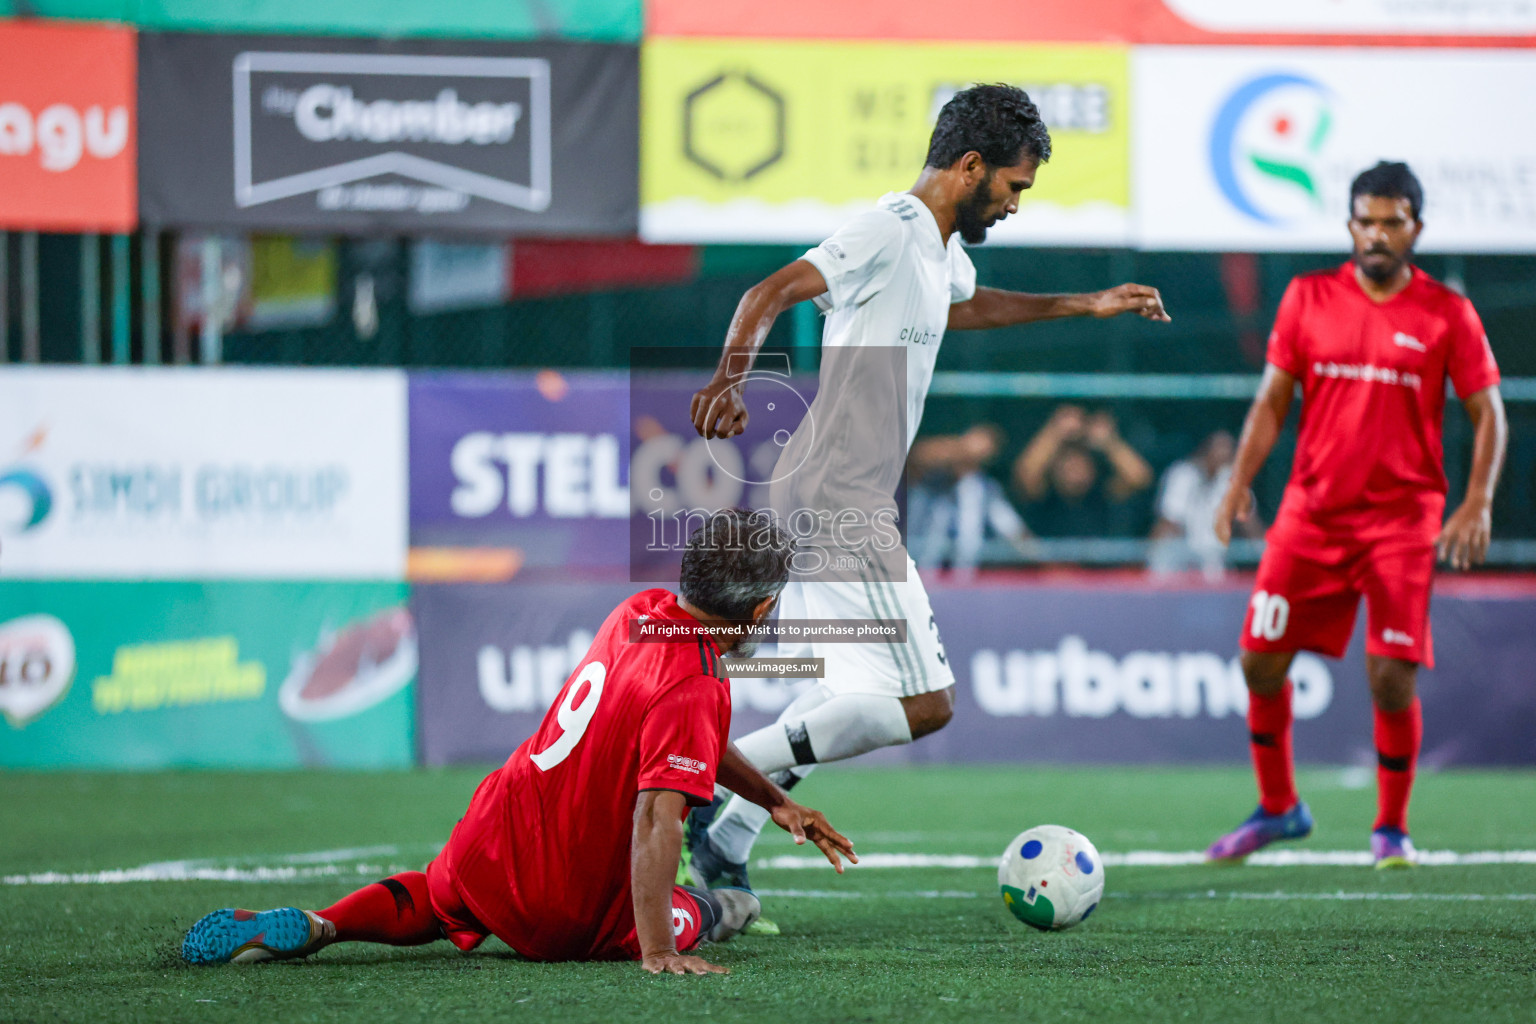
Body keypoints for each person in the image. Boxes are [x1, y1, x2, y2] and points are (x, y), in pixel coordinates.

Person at [685, 84, 1170, 901]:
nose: (1016, 204)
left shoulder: (940, 248)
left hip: (823, 493)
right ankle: (709, 777)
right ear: (971, 165)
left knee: (851, 695)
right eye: (1014, 187)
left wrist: (1083, 304)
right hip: (839, 499)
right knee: (924, 705)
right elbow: (765, 294)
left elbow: (966, 306)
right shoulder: (890, 227)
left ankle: (727, 834)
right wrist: (731, 378)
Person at [181, 509, 856, 975]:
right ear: (762, 609)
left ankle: (322, 923)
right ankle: (716, 909)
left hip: (497, 839)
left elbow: (685, 741)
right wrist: (655, 950)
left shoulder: (641, 611)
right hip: (569, 911)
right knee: (718, 909)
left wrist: (773, 800)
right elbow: (657, 818)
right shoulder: (698, 683)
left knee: (433, 898)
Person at [1207, 161, 1507, 868]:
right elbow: (1273, 400)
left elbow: (1487, 412)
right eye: (1366, 221)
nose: (1376, 234)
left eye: (1391, 222)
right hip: (1311, 513)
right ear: (1349, 225)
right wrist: (1237, 483)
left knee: (1390, 677)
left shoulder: (1447, 313)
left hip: (1402, 521)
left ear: (1416, 229)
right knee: (1259, 663)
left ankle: (1392, 829)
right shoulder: (1308, 298)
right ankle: (1279, 808)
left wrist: (1478, 500)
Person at [907, 424, 1034, 572]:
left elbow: (1014, 531)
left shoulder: (984, 489)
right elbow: (918, 456)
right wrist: (960, 448)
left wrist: (1048, 565)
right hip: (916, 573)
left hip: (963, 579)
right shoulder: (925, 482)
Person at [1013, 405, 1153, 538]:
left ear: (1093, 468)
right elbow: (1025, 473)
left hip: (1100, 562)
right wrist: (1055, 431)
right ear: (1054, 469)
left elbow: (1139, 478)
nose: (1075, 468)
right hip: (1051, 562)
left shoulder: (1102, 493)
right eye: (1068, 463)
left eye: (1081, 463)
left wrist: (1109, 443)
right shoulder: (1045, 496)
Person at [1148, 429, 1259, 579]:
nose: (1222, 455)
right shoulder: (1183, 475)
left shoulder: (1233, 480)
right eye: (1219, 449)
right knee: (1163, 566)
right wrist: (1151, 561)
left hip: (1214, 559)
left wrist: (1265, 555)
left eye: (1228, 451)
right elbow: (1169, 523)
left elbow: (1249, 523)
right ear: (1206, 451)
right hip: (1181, 557)